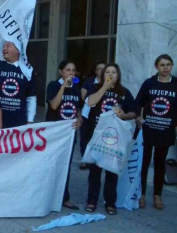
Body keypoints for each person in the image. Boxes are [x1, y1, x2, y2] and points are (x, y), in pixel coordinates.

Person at [85, 64, 136, 215]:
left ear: (118, 75)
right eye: (107, 72)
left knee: (111, 171)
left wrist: (124, 115)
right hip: (97, 135)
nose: (110, 74)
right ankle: (92, 201)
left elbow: (133, 112)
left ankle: (110, 202)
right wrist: (104, 87)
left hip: (114, 138)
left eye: (114, 72)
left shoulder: (124, 92)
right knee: (94, 170)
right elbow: (90, 102)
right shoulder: (95, 88)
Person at [135, 54, 177, 210]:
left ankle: (157, 195)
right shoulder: (149, 83)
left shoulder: (176, 84)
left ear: (171, 66)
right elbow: (138, 102)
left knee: (160, 164)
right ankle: (141, 193)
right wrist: (138, 117)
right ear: (156, 67)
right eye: (162, 65)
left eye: (168, 64)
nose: (165, 68)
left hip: (166, 131)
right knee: (144, 163)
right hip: (148, 129)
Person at [0, 22, 37, 128]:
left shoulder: (28, 71)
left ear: (18, 50)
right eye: (3, 46)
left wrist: (30, 121)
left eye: (8, 45)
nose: (4, 48)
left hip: (18, 122)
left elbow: (31, 98)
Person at [46, 60, 83, 210]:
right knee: (51, 164)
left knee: (65, 165)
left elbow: (78, 108)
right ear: (61, 71)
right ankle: (48, 195)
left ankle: (64, 197)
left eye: (73, 71)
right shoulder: (53, 85)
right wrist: (63, 86)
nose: (71, 73)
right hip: (55, 131)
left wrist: (80, 119)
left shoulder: (76, 89)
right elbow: (54, 105)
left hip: (69, 132)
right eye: (68, 70)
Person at [80, 60, 106, 170]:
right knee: (85, 137)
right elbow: (83, 96)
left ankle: (96, 159)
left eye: (103, 69)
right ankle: (84, 159)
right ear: (95, 70)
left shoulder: (109, 82)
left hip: (102, 115)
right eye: (99, 68)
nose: (101, 71)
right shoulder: (89, 81)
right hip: (87, 114)